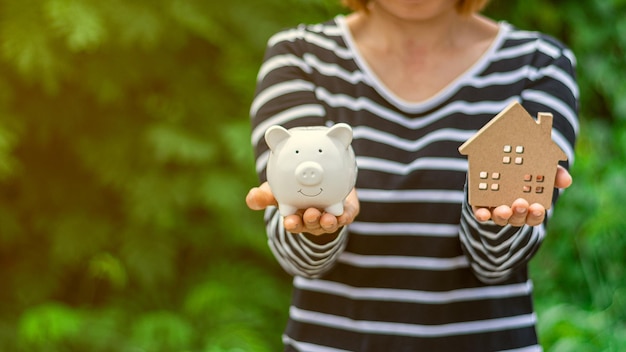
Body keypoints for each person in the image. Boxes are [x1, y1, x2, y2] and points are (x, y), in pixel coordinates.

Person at [246, 0, 578, 350]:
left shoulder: (538, 62)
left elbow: (497, 262)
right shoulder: (300, 57)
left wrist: (494, 218)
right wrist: (321, 219)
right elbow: (299, 258)